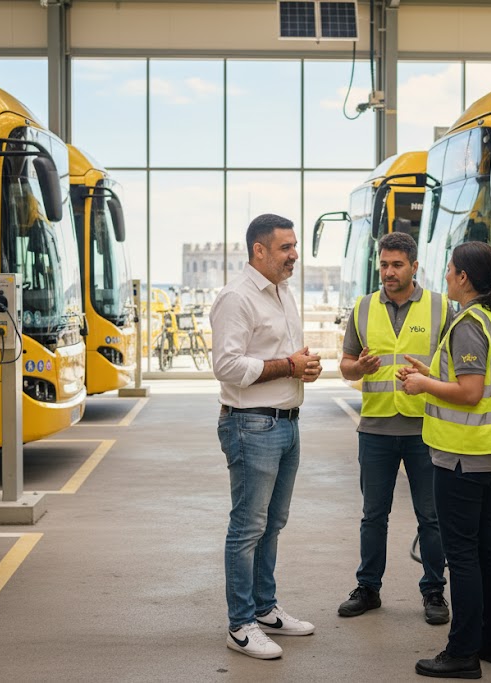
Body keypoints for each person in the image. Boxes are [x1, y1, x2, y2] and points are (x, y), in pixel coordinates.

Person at [400, 241, 491, 679]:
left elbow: (470, 394)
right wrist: (431, 375)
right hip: (489, 453)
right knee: (487, 546)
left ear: (464, 278)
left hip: (462, 457)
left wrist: (422, 387)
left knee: (463, 554)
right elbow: (476, 383)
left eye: (449, 270)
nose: (445, 276)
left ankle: (462, 652)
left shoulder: (469, 322)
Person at [211, 213, 323, 660]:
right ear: (259, 250)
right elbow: (228, 366)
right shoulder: (236, 298)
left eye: (294, 246)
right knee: (248, 527)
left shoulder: (282, 293)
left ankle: (264, 609)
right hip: (251, 424)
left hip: (286, 421)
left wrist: (303, 368)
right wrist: (289, 367)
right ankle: (240, 625)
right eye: (285, 248)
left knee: (272, 523)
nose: (294, 255)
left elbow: (283, 356)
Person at [337, 231, 450, 625]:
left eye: (396, 265)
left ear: (414, 267)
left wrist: (429, 375)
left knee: (431, 517)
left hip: (426, 428)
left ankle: (434, 592)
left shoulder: (441, 307)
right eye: (383, 264)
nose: (388, 271)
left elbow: (456, 368)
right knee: (373, 515)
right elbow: (346, 364)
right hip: (376, 428)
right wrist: (360, 369)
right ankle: (368, 588)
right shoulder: (363, 307)